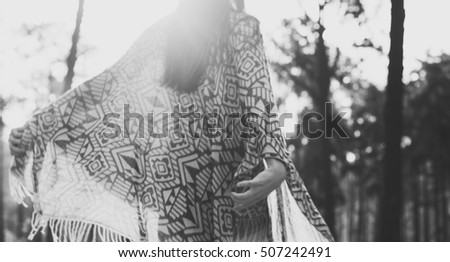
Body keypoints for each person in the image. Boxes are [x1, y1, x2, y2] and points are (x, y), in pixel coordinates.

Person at [9, 0, 333, 242]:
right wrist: (40, 126)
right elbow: (108, 86)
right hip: (204, 187)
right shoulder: (217, 28)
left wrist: (40, 125)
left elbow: (257, 97)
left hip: (187, 190)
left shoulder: (215, 29)